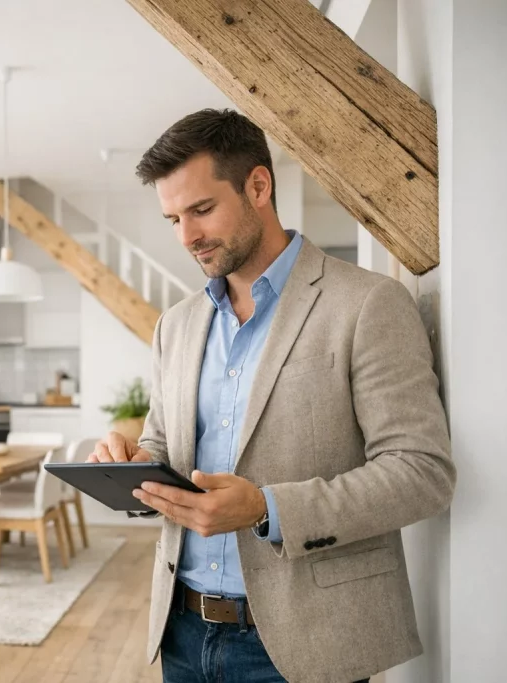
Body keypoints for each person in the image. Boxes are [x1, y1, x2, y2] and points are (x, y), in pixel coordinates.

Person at [88, 109, 454, 682]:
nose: (187, 237)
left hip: (309, 639)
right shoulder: (175, 325)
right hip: (182, 631)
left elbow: (422, 472)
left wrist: (266, 509)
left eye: (201, 210)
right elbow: (164, 445)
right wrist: (133, 463)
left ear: (258, 186)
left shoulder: (367, 304)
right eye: (173, 219)